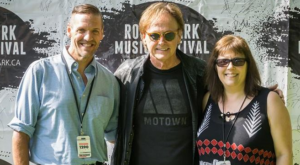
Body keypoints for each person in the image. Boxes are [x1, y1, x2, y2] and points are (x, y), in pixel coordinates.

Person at [8, 4, 120, 165]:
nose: (88, 37)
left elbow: (115, 136)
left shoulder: (110, 81)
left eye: (95, 31)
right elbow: (21, 132)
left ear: (102, 33)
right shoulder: (40, 72)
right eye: (81, 30)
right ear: (69, 31)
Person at [112, 2, 207, 165]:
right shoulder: (126, 74)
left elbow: (234, 97)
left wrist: (264, 95)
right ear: (143, 37)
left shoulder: (200, 72)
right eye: (154, 35)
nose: (162, 42)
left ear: (179, 35)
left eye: (168, 35)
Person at [197, 35, 292, 165]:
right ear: (215, 67)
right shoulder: (207, 100)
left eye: (238, 61)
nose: (230, 67)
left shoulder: (269, 101)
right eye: (223, 62)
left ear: (248, 65)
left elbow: (284, 154)